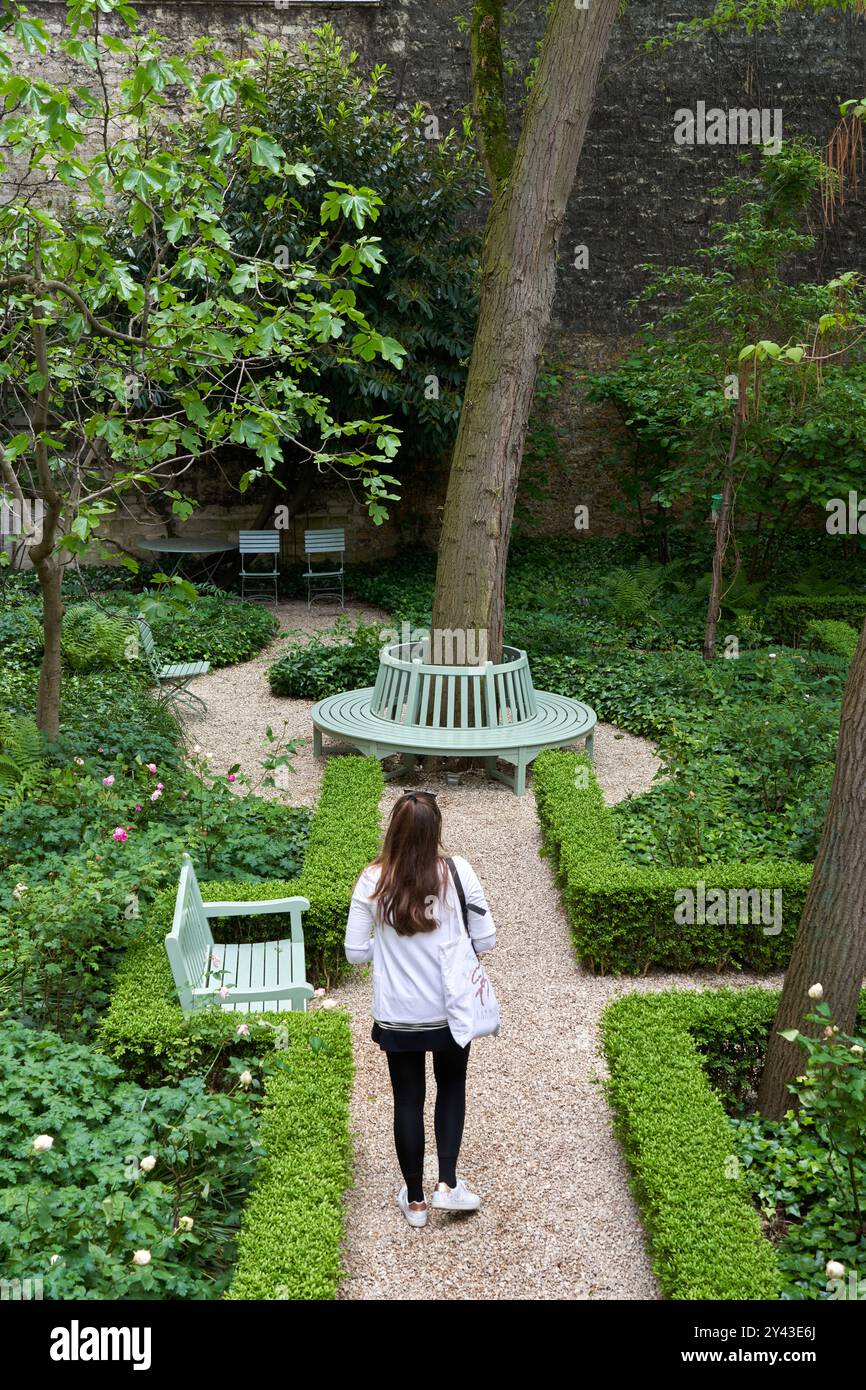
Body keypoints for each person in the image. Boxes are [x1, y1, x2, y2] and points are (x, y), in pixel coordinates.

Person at [345, 789, 496, 1228]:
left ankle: (414, 1201)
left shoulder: (373, 880)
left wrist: (390, 946)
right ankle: (447, 1185)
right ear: (437, 832)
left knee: (407, 1100)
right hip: (451, 1010)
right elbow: (485, 939)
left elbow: (356, 953)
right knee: (451, 1086)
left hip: (398, 1014)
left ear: (393, 829)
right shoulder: (457, 872)